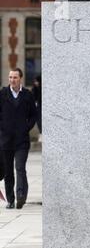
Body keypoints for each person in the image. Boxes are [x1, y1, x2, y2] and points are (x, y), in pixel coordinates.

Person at [0, 68, 37, 209]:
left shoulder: (27, 95)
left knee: (20, 168)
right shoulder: (3, 94)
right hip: (6, 140)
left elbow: (34, 114)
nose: (12, 80)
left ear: (20, 78)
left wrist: (26, 127)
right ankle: (10, 200)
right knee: (8, 171)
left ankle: (21, 195)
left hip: (22, 140)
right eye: (10, 77)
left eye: (15, 77)